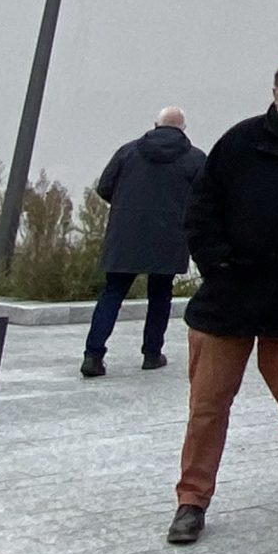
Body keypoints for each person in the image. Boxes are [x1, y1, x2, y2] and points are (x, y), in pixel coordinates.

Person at [169, 55, 278, 546]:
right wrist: (217, 261)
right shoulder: (240, 141)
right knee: (207, 404)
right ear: (274, 92)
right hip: (229, 296)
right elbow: (201, 207)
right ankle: (192, 500)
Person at [82, 108, 204, 377]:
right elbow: (204, 198)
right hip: (169, 234)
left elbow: (104, 187)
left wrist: (127, 207)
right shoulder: (195, 158)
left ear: (155, 125)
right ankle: (151, 353)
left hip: (126, 233)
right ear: (183, 128)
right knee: (160, 293)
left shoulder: (128, 152)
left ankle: (93, 355)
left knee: (113, 292)